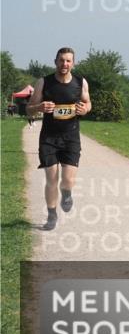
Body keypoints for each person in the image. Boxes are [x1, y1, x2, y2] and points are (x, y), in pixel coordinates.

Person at [26, 47, 91, 231]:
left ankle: (67, 193)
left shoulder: (80, 82)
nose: (65, 64)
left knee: (68, 180)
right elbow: (29, 109)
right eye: (61, 60)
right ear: (55, 61)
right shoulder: (43, 82)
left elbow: (88, 103)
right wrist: (39, 107)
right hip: (49, 137)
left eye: (68, 61)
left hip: (71, 137)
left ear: (73, 63)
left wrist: (84, 110)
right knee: (51, 179)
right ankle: (51, 214)